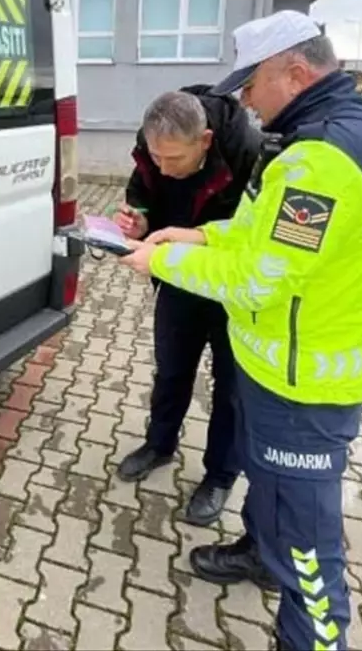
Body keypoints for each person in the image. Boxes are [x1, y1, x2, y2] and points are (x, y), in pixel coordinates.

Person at [120, 11, 362, 651]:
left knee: (307, 547)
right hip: (276, 361)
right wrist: (195, 233)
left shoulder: (324, 161)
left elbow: (258, 279)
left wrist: (162, 259)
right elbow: (259, 233)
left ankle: (310, 638)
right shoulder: (316, 138)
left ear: (296, 72)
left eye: (252, 84)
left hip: (304, 383)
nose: (244, 99)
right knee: (270, 495)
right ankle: (256, 549)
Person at [113, 86, 261, 526]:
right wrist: (138, 217)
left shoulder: (248, 154)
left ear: (206, 141)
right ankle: (159, 444)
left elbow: (250, 233)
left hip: (229, 287)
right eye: (155, 156)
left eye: (174, 159)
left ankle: (219, 476)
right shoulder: (156, 144)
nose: (163, 166)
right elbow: (142, 191)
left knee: (231, 388)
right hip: (177, 279)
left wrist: (187, 242)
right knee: (172, 369)